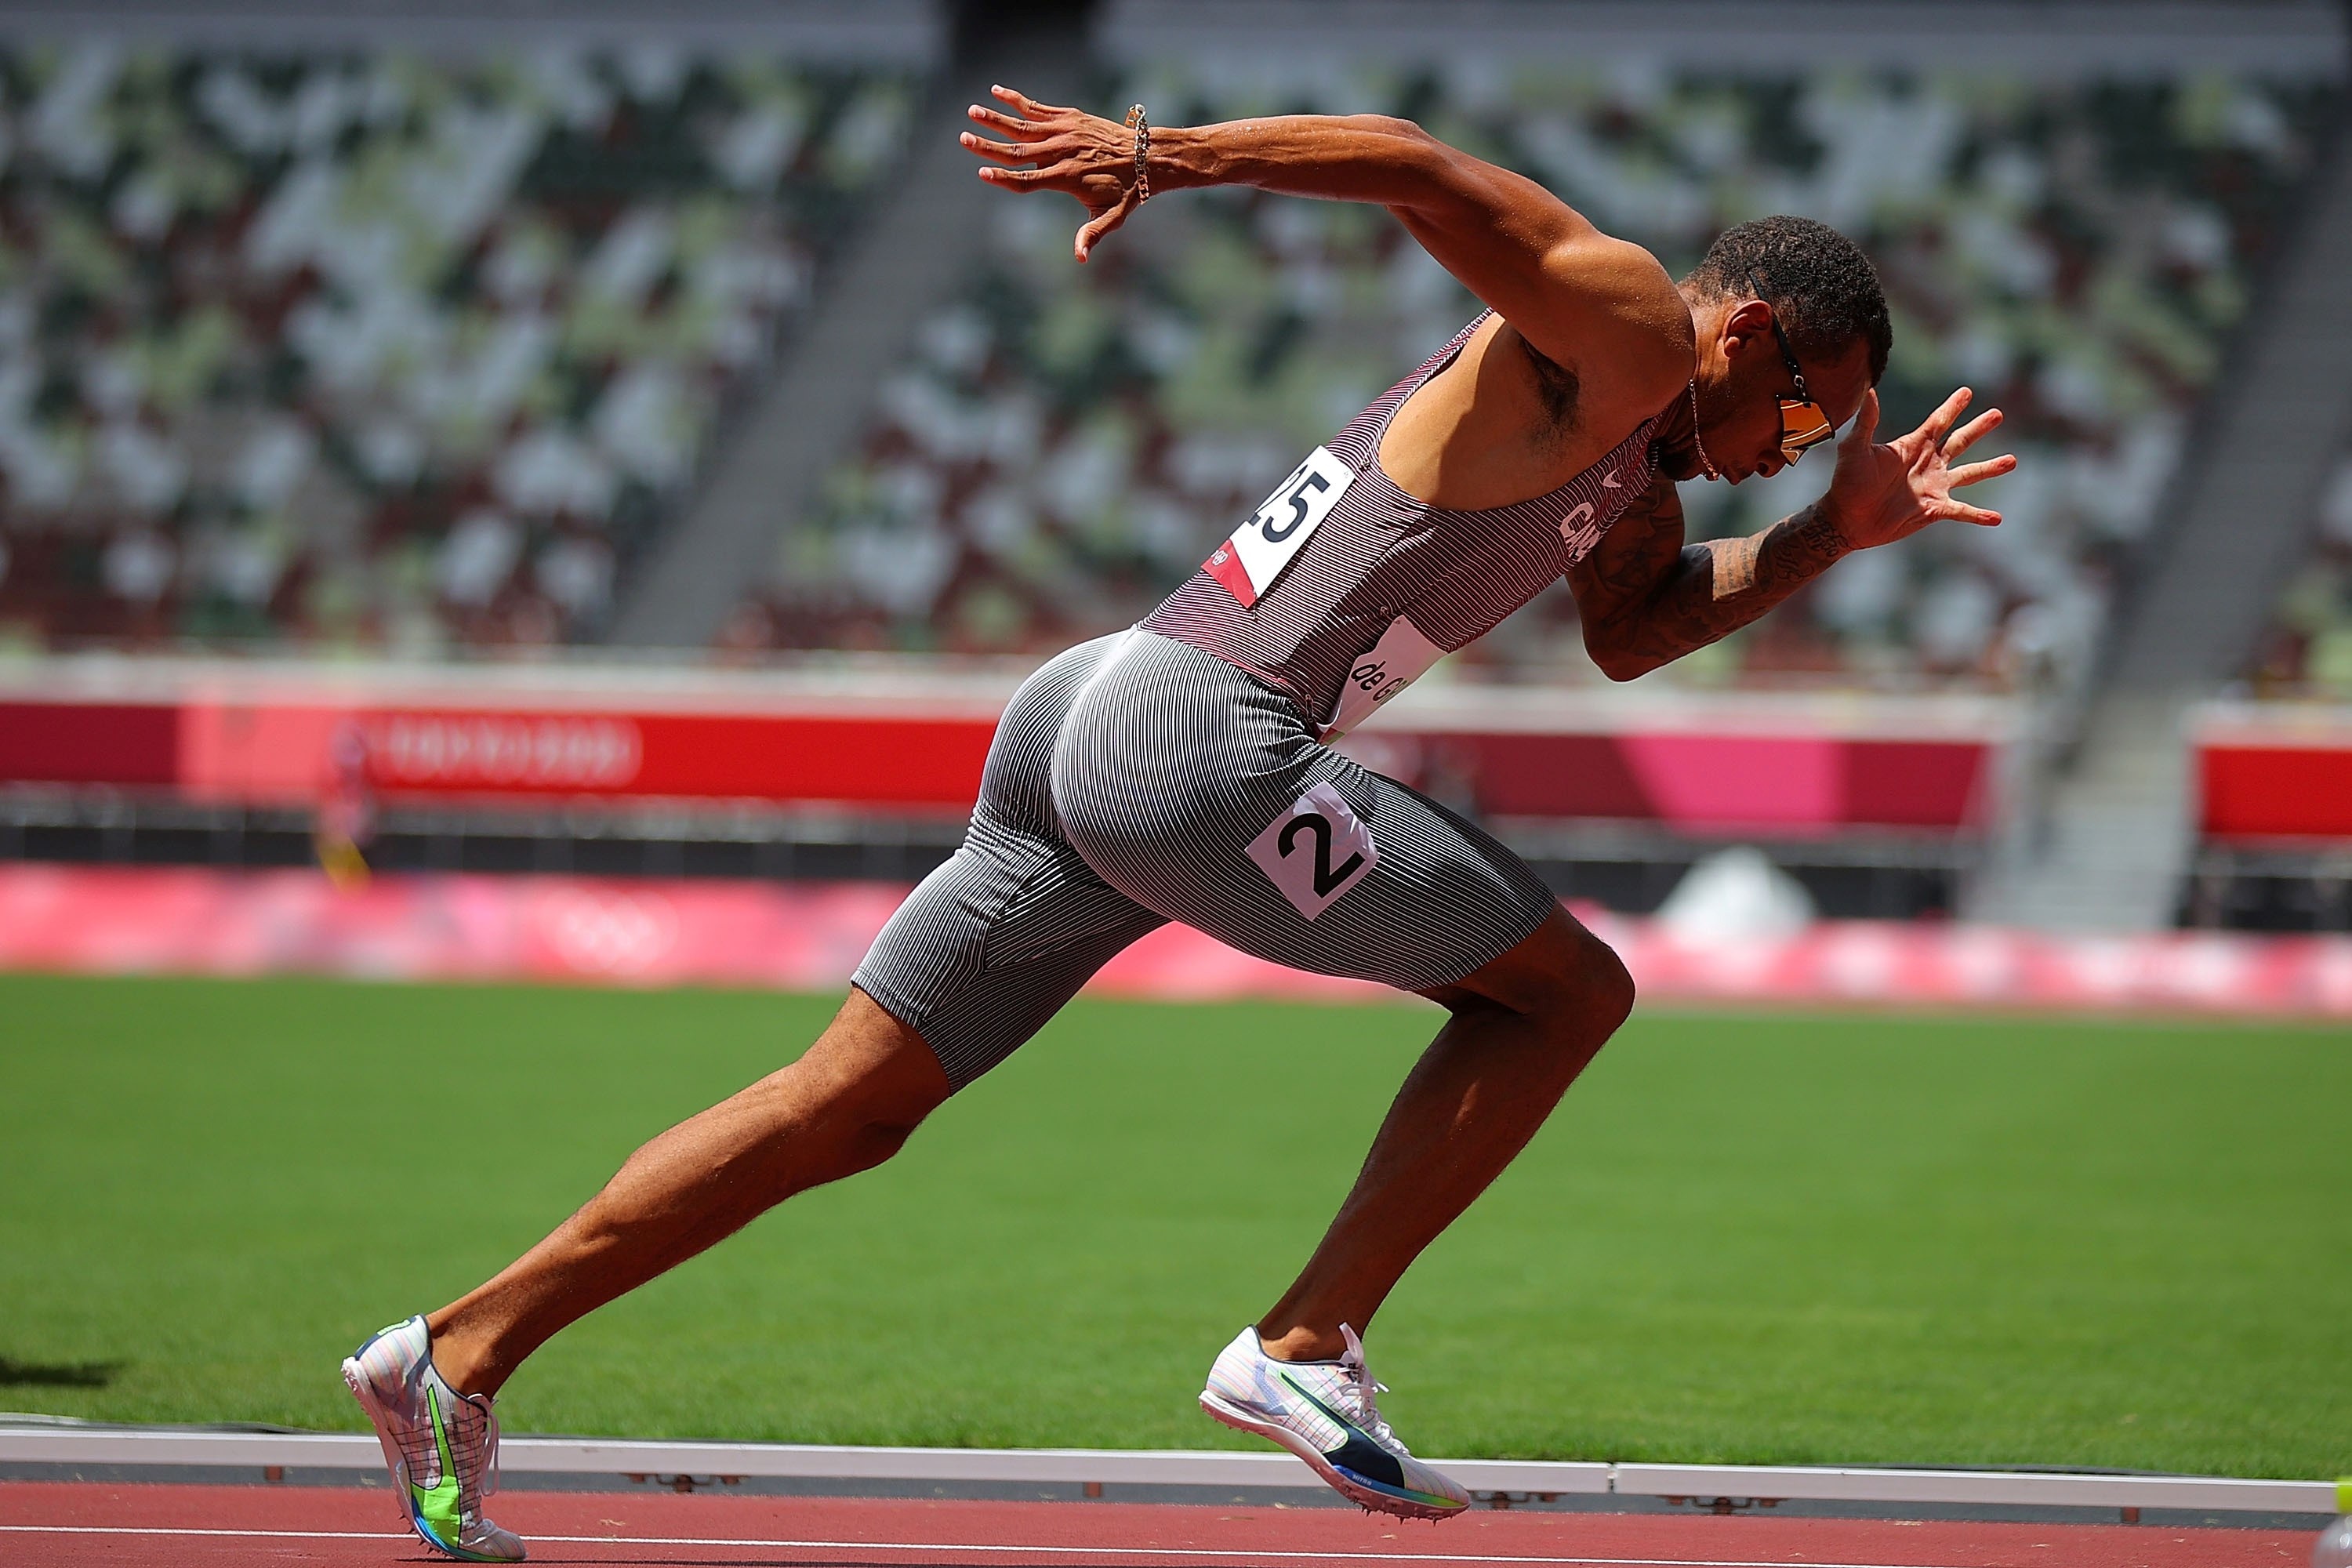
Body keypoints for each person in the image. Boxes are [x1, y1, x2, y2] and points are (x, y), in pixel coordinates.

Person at [342, 87, 2015, 1561]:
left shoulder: (1635, 445)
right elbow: (1423, 169)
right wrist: (1166, 155)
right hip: (1201, 740)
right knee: (1571, 992)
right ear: (1747, 339)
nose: (1795, 452)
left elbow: (1633, 631)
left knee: (843, 1107)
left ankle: (461, 1348)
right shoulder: (1636, 319)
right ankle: (1304, 1339)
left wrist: (1828, 544)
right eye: (1809, 414)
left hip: (1094, 706)